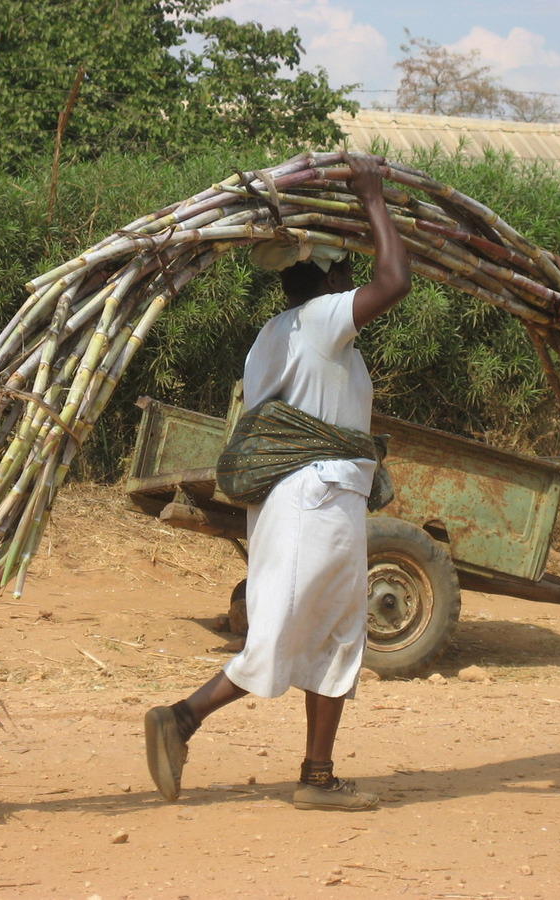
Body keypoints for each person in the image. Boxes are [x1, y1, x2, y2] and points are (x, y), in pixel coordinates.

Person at [144, 153, 411, 811]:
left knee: (340, 633)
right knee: (285, 631)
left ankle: (318, 777)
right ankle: (181, 718)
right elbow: (397, 280)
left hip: (318, 499)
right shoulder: (321, 322)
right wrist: (374, 199)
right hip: (313, 499)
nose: (354, 273)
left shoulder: (278, 332)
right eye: (345, 263)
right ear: (325, 272)